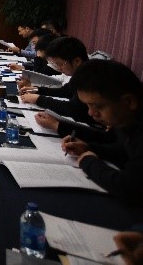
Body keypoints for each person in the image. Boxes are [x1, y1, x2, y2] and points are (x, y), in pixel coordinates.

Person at [60, 59, 143, 208]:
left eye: (97, 106)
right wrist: (89, 148)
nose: (91, 113)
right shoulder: (126, 119)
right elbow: (125, 151)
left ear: (128, 102)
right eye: (88, 106)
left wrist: (88, 161)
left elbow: (129, 188)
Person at [19, 36, 93, 124]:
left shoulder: (89, 78)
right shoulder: (79, 74)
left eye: (61, 64)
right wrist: (37, 90)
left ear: (77, 61)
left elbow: (73, 109)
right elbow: (65, 91)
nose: (59, 68)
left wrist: (38, 99)